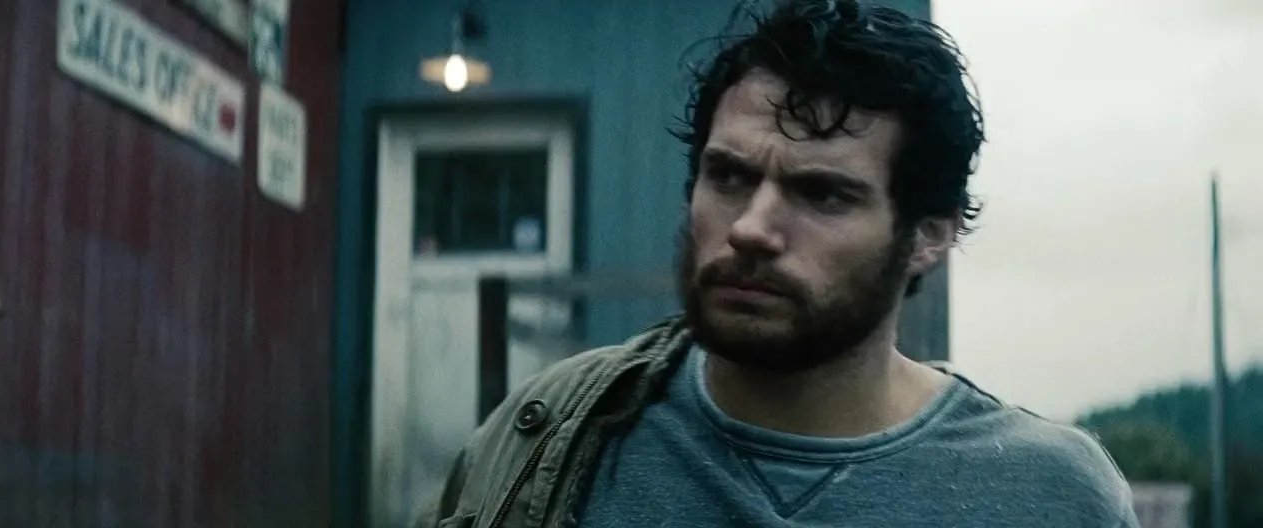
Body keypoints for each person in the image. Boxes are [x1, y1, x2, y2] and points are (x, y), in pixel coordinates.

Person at [417, 1, 1139, 526]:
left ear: (928, 234)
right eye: (729, 176)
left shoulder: (1048, 494)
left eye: (822, 193)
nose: (751, 230)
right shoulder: (550, 433)